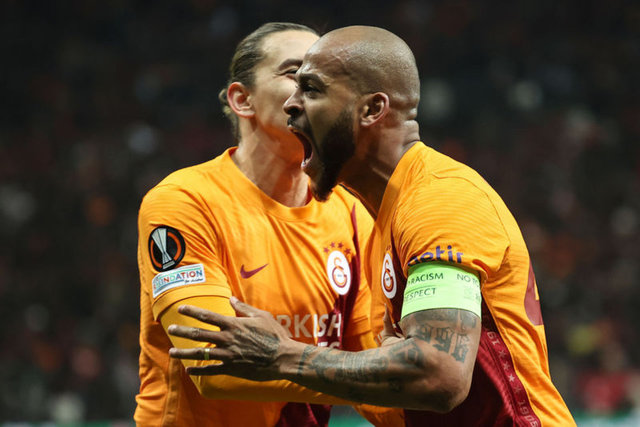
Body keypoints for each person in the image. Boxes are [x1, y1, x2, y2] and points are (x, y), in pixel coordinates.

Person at [167, 25, 576, 426]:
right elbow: (399, 377)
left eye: (311, 89)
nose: (292, 103)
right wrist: (388, 362)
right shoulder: (380, 214)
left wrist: (282, 356)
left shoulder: (439, 198)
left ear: (372, 110)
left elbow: (438, 375)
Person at [134, 22, 395, 426]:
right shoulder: (184, 202)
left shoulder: (352, 213)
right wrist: (371, 376)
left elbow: (377, 376)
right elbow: (215, 365)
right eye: (295, 72)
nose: (315, 89)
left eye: (326, 79)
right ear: (243, 100)